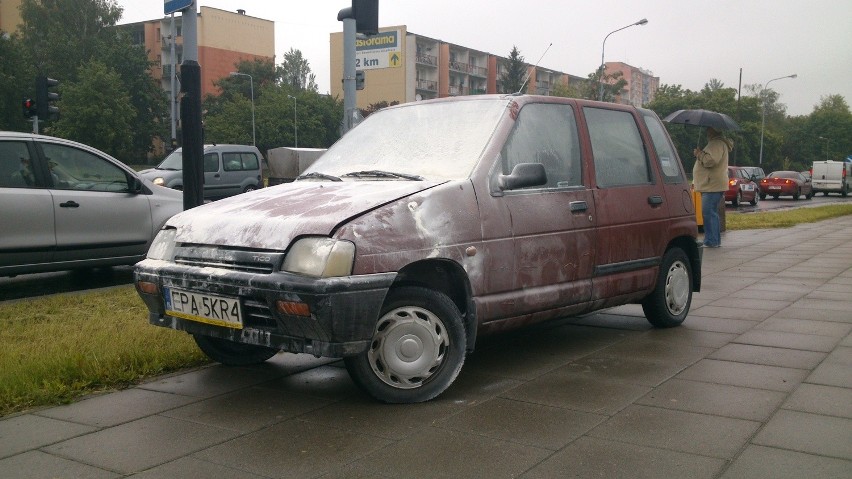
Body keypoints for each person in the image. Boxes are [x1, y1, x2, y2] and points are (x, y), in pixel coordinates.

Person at [693, 127, 733, 248]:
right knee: (711, 212)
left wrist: (699, 154)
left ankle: (712, 241)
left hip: (712, 184)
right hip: (712, 184)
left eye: (708, 130)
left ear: (713, 131)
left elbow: (711, 161)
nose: (707, 132)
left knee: (708, 212)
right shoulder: (718, 143)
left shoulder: (716, 143)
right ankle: (713, 240)